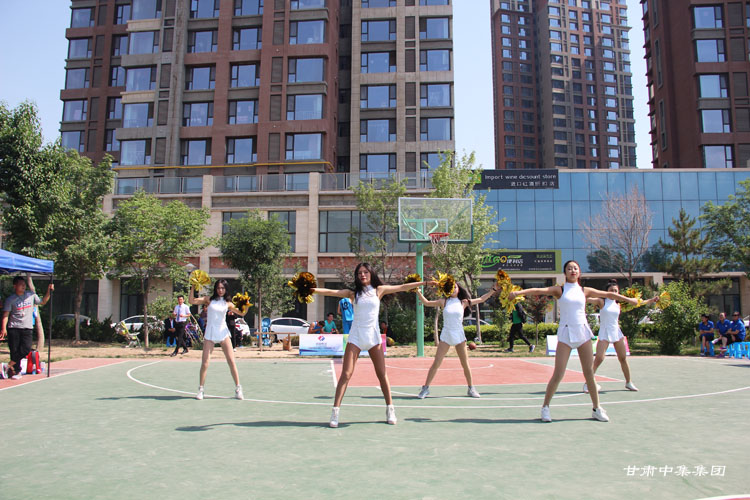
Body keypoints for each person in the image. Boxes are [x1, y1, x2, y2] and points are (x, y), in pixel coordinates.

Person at [508, 260, 646, 423]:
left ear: (579, 272)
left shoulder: (584, 290)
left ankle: (596, 408)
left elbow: (610, 295)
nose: (572, 270)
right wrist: (518, 293)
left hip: (583, 334)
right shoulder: (560, 290)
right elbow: (538, 290)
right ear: (565, 273)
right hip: (566, 334)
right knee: (558, 374)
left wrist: (629, 300)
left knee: (589, 373)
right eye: (569, 268)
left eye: (575, 268)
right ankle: (545, 407)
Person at [312, 262, 435, 428]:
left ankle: (390, 409)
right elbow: (330, 292)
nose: (362, 275)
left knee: (382, 374)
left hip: (373, 337)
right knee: (346, 374)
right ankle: (335, 412)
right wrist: (310, 289)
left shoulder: (379, 290)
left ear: (371, 274)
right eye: (359, 273)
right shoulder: (352, 293)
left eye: (365, 272)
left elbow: (402, 287)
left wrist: (425, 283)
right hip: (356, 337)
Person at [415, 283, 498, 399]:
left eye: (455, 287)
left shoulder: (463, 302)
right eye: (451, 287)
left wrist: (493, 290)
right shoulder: (444, 301)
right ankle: (425, 388)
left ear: (459, 289)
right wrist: (418, 291)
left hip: (459, 335)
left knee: (465, 364)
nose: (453, 289)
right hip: (446, 335)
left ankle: (471, 388)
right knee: (436, 363)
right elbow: (426, 303)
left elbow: (481, 299)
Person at [586, 279, 657, 393]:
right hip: (605, 332)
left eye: (616, 291)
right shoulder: (601, 301)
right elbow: (587, 299)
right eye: (611, 290)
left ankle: (628, 382)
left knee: (623, 358)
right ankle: (588, 383)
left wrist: (651, 300)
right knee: (599, 358)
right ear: (607, 292)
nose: (614, 293)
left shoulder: (619, 304)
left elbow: (638, 303)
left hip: (616, 332)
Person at [188, 278, 244, 401]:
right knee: (205, 363)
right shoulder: (209, 299)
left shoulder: (228, 303)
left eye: (222, 288)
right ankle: (201, 390)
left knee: (231, 361)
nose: (220, 290)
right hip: (210, 333)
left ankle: (238, 388)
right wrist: (193, 286)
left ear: (226, 289)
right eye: (218, 288)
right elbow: (191, 300)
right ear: (215, 289)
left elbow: (242, 313)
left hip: (223, 332)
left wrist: (246, 304)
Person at [1, 275, 53, 380]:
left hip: (27, 327)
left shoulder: (31, 295)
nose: (23, 286)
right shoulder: (10, 299)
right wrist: (3, 328)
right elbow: (6, 315)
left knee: (26, 349)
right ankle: (16, 371)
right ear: (15, 286)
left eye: (24, 284)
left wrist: (49, 291)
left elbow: (43, 302)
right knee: (14, 350)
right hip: (14, 327)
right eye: (21, 284)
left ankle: (8, 365)